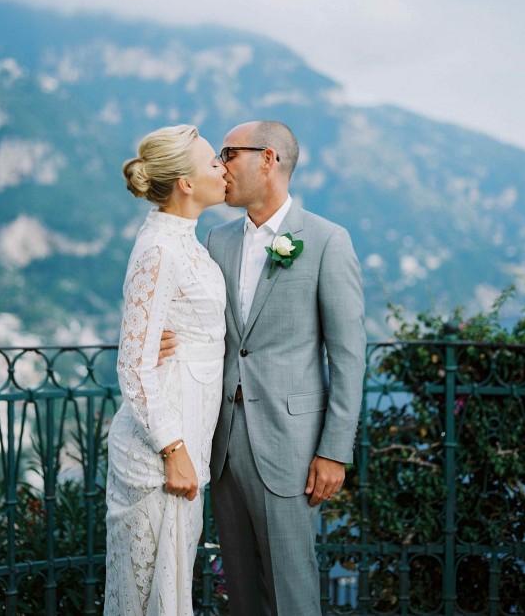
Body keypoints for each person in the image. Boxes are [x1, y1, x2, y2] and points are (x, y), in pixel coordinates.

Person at [160, 120, 366, 616]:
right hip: (224, 445)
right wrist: (167, 338)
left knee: (292, 593)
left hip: (290, 449)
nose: (220, 165)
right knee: (242, 593)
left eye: (229, 153)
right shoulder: (217, 240)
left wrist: (334, 451)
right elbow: (208, 326)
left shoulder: (325, 241)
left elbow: (348, 355)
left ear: (267, 159)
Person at [104, 124, 228, 616]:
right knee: (148, 595)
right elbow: (134, 365)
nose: (222, 167)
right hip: (160, 455)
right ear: (187, 183)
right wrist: (173, 451)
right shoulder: (159, 249)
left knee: (172, 591)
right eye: (212, 161)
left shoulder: (186, 242)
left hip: (188, 440)